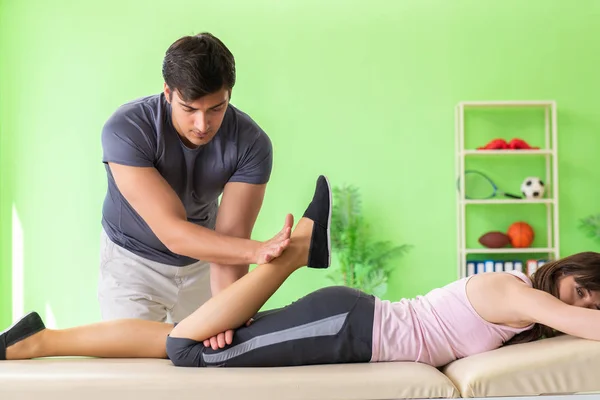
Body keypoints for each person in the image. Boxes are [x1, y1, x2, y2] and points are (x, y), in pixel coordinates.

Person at [3, 176, 600, 367]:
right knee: (191, 352)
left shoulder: (521, 307)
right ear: (567, 272)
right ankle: (293, 252)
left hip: (348, 321)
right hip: (349, 329)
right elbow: (572, 321)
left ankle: (39, 340)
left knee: (176, 342)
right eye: (585, 293)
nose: (583, 308)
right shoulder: (518, 293)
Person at [98, 30, 293, 346]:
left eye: (217, 108)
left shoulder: (251, 143)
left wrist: (227, 313)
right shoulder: (127, 129)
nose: (203, 125)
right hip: (131, 263)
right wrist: (259, 251)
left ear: (229, 94)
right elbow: (173, 232)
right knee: (135, 371)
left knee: (209, 357)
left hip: (204, 262)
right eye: (190, 109)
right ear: (168, 92)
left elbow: (230, 240)